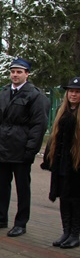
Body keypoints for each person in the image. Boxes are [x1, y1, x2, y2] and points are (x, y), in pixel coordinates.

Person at [0, 57, 49, 237]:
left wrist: (31, 149)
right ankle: (0, 218)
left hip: (21, 148)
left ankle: (21, 223)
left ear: (27, 74)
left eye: (19, 72)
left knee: (22, 188)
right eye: (12, 72)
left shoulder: (35, 96)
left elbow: (39, 125)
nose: (15, 75)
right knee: (2, 186)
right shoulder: (4, 93)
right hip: (2, 147)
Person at [41, 77, 80, 248]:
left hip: (76, 164)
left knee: (75, 200)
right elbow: (53, 137)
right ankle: (66, 231)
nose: (73, 94)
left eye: (77, 92)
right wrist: (49, 158)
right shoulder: (62, 111)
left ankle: (75, 234)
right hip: (62, 162)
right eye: (71, 91)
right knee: (64, 197)